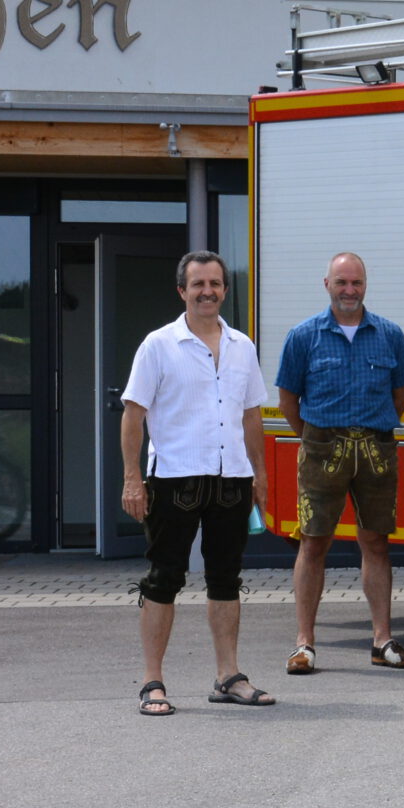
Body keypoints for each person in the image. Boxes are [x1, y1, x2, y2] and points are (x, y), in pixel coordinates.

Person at [118, 250, 272, 715]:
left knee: (226, 579)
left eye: (216, 283)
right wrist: (132, 480)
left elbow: (251, 416)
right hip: (173, 480)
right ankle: (152, 682)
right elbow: (133, 415)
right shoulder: (158, 345)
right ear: (181, 290)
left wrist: (259, 473)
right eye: (198, 284)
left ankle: (228, 675)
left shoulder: (242, 346)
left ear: (225, 289)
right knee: (164, 578)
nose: (208, 291)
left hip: (231, 481)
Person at [274, 251, 404, 676]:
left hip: (376, 449)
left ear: (365, 285)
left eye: (356, 282)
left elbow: (401, 397)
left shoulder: (390, 335)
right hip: (322, 446)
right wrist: (313, 438)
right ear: (327, 285)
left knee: (375, 543)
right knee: (314, 542)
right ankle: (304, 644)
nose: (349, 291)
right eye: (342, 283)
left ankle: (382, 640)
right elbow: (288, 400)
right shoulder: (303, 337)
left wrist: (374, 428)